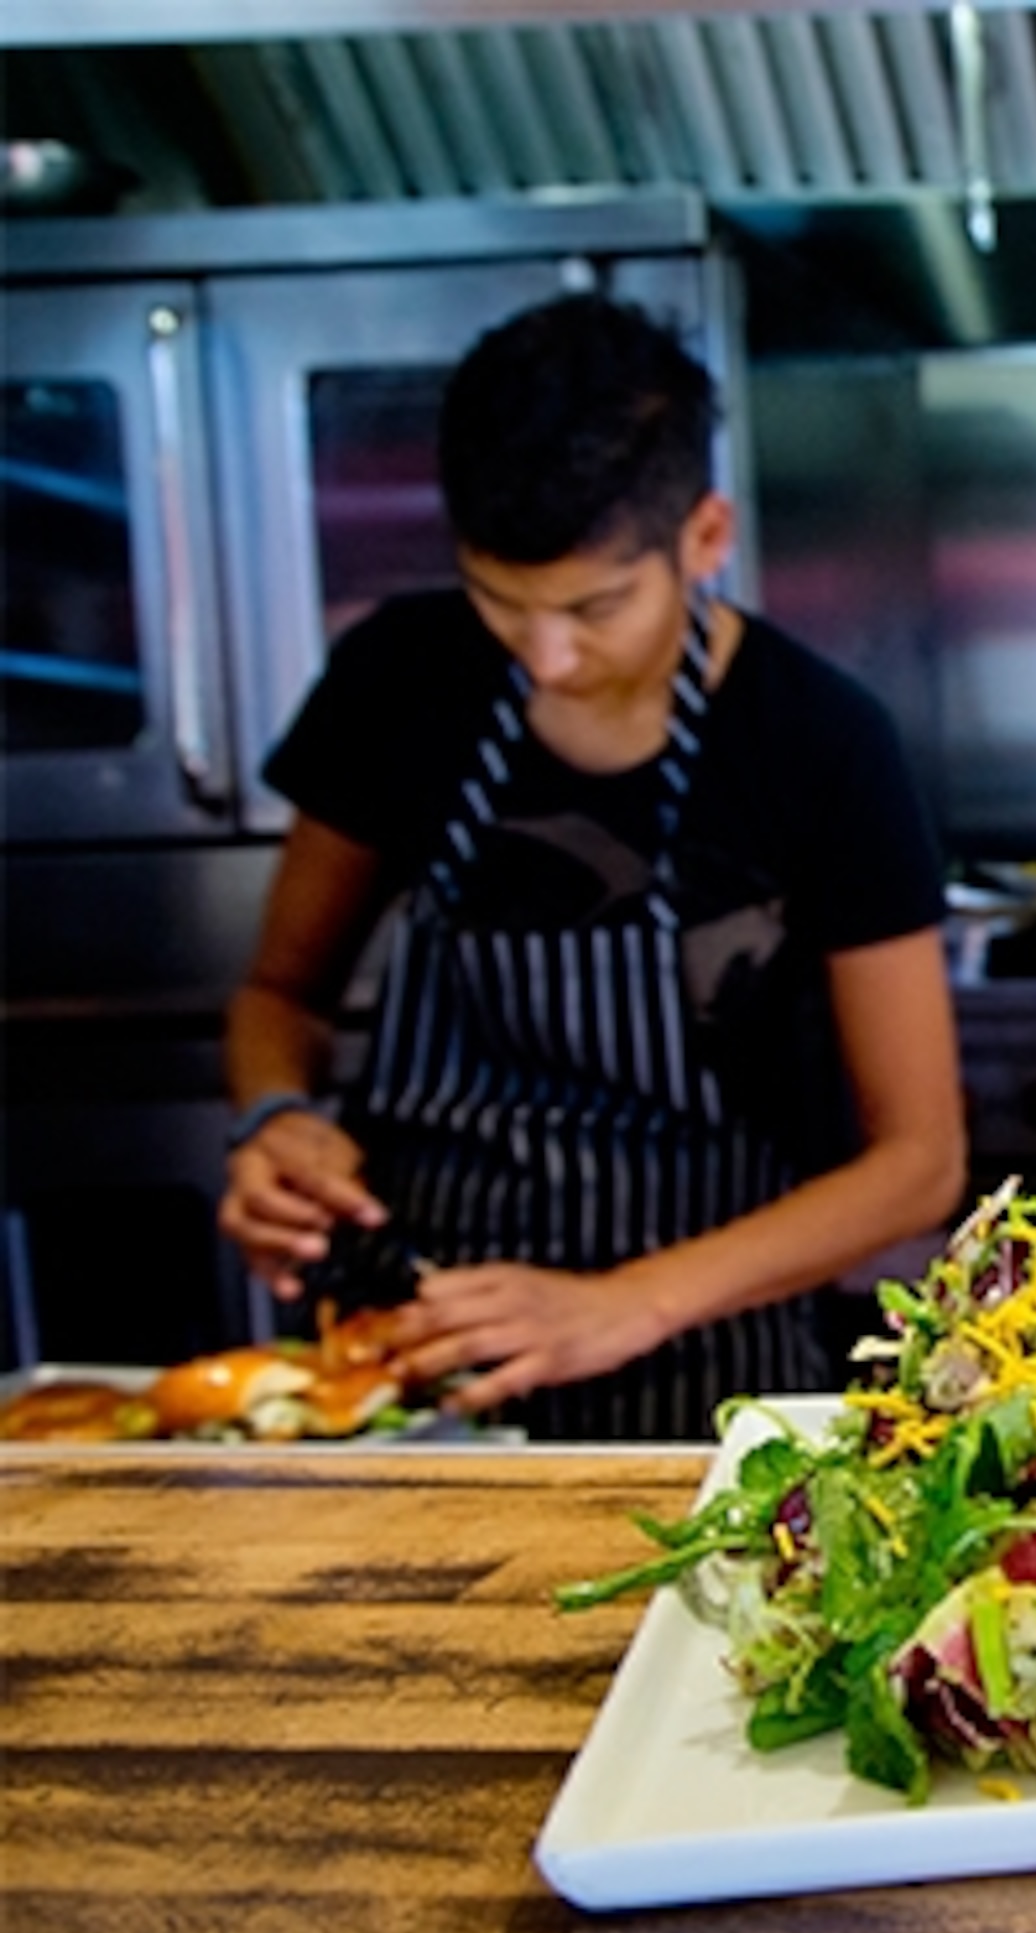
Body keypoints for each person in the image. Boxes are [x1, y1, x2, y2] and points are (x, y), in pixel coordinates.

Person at [217, 292, 967, 1438]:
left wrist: (625, 1304)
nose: (549, 656)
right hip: (413, 1358)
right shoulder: (400, 678)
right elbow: (281, 997)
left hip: (709, 1378)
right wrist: (273, 1117)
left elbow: (918, 1161)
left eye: (595, 606)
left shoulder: (817, 740)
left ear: (704, 539)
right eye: (501, 603)